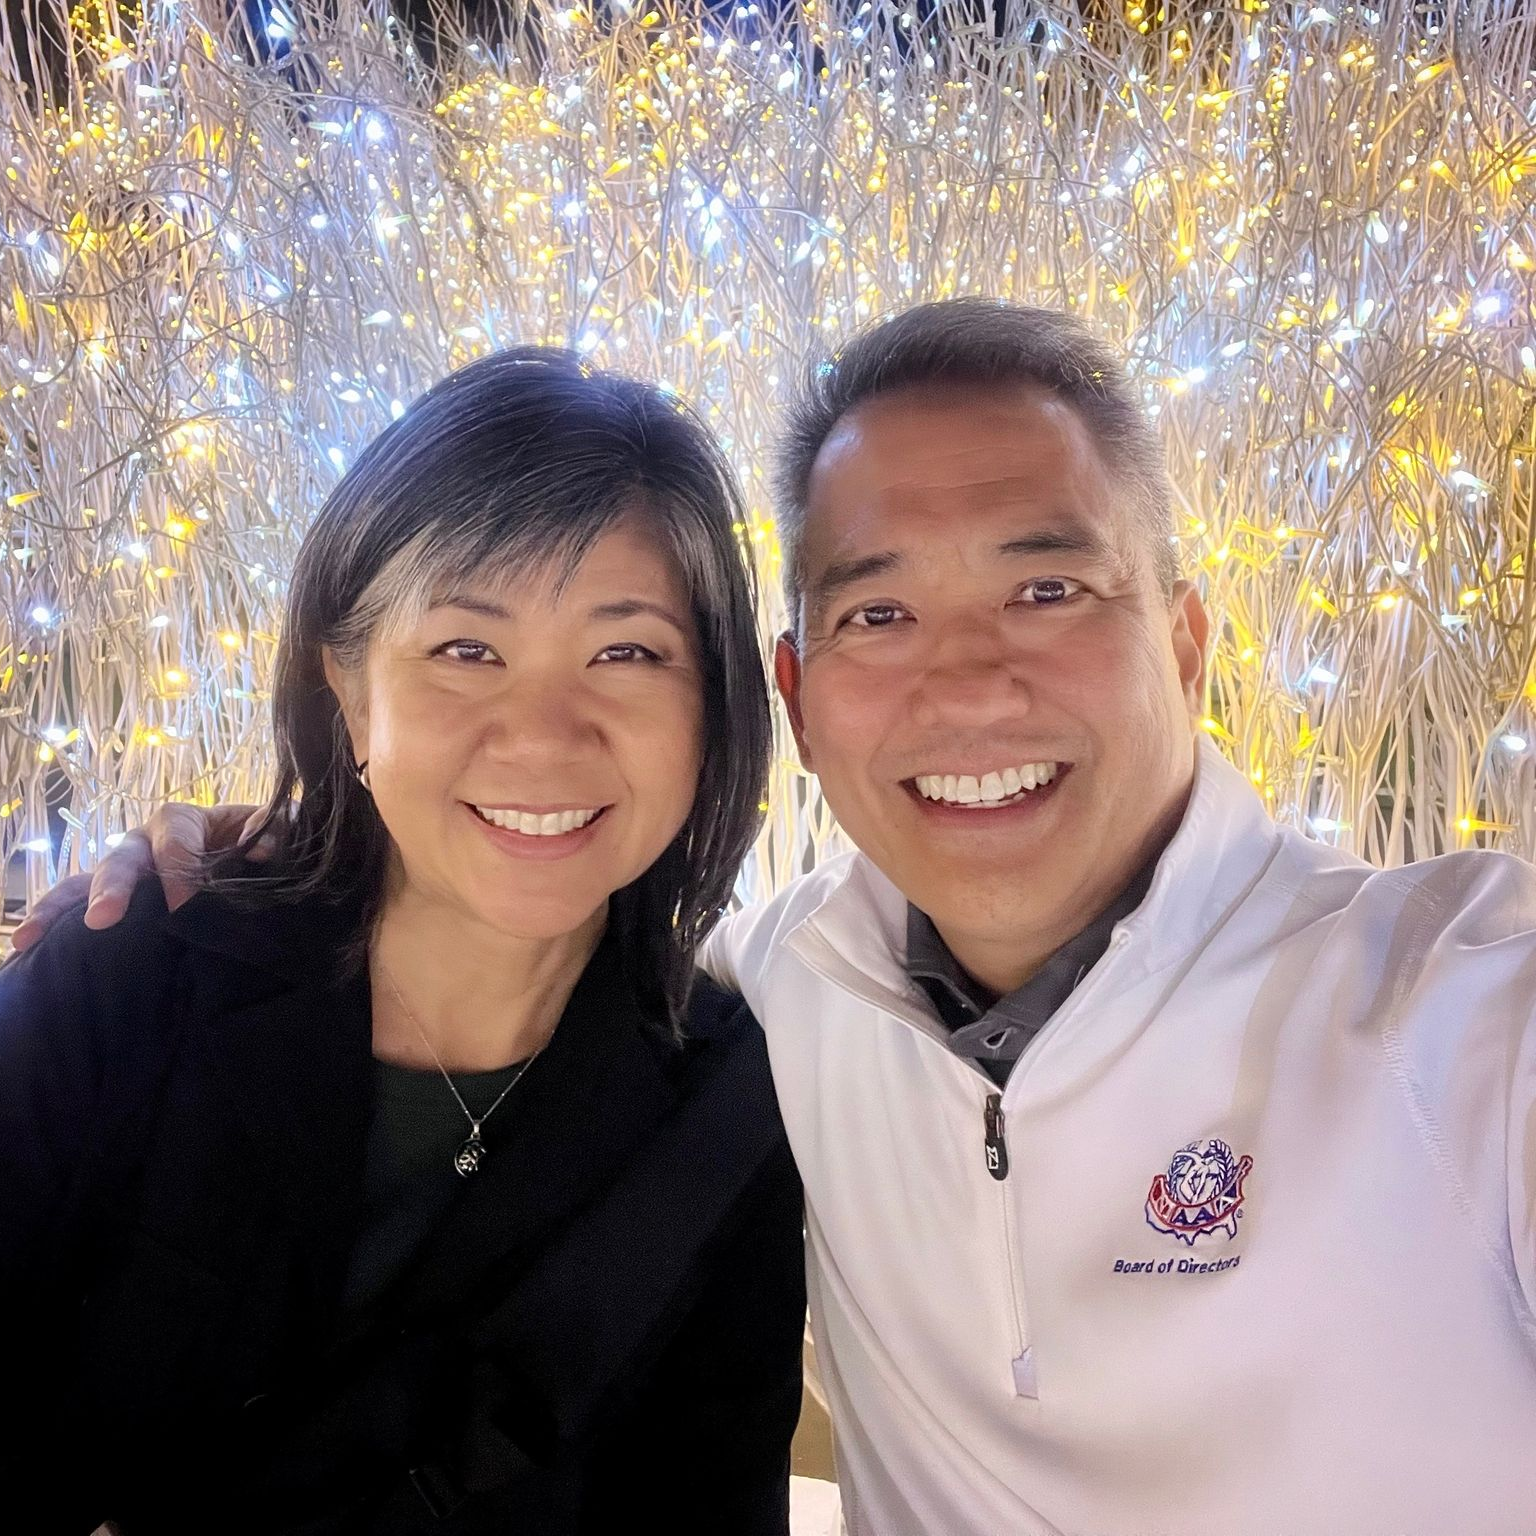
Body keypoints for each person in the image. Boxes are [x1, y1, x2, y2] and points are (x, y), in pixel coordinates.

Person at [26, 300, 1536, 1534]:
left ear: (1188, 643)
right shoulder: (145, 969)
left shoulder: (1454, 1004)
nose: (963, 685)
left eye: (1048, 590)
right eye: (465, 651)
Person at [0, 347, 805, 1534]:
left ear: (712, 704)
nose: (541, 737)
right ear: (349, 692)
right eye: (464, 650)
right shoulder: (133, 970)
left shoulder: (725, 1111)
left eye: (626, 651)